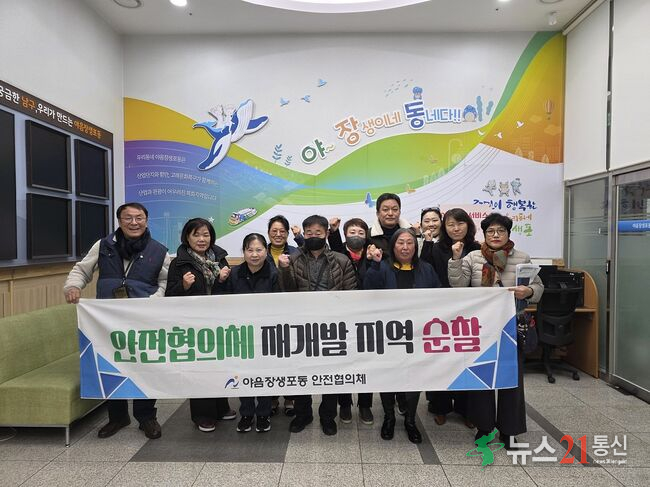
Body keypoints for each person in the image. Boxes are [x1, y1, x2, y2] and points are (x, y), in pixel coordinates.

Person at [63, 202, 170, 440]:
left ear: (146, 220)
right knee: (112, 364)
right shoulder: (103, 245)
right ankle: (117, 417)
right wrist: (73, 286)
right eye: (128, 218)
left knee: (145, 365)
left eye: (139, 218)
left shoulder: (159, 250)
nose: (134, 222)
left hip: (143, 319)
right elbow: (82, 270)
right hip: (108, 320)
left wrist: (154, 300)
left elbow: (165, 281)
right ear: (119, 221)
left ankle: (146, 417)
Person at [448, 212, 543, 450]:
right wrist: (456, 259)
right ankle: (484, 427)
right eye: (491, 231)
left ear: (508, 234)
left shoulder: (522, 257)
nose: (496, 235)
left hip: (511, 325)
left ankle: (509, 431)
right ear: (484, 234)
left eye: (501, 231)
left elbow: (538, 285)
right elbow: (458, 285)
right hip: (482, 326)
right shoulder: (473, 257)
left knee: (511, 380)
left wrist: (529, 291)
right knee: (482, 377)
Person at [277, 215, 357, 436]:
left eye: (318, 233)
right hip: (302, 326)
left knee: (330, 374)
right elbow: (286, 292)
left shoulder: (341, 260)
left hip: (332, 327)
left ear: (326, 234)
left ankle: (327, 416)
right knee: (301, 372)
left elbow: (351, 294)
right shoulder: (292, 259)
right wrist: (283, 269)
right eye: (309, 233)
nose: (313, 236)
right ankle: (303, 414)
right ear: (303, 234)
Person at [363, 228, 441, 444]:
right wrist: (374, 264)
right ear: (393, 246)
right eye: (400, 243)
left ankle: (410, 420)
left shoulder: (426, 269)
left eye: (409, 243)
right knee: (388, 377)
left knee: (414, 379)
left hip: (417, 335)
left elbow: (439, 297)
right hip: (388, 335)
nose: (405, 247)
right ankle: (389, 417)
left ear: (415, 246)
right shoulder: (383, 266)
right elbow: (368, 290)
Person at [164, 217, 237, 433]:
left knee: (219, 365)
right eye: (196, 235)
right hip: (194, 324)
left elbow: (230, 293)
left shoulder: (220, 259)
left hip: (219, 323)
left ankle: (221, 407)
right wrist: (184, 286)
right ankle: (203, 415)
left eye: (206, 235)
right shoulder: (179, 263)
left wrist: (222, 280)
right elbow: (169, 296)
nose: (202, 239)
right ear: (187, 237)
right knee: (200, 369)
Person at [420, 208, 480, 427]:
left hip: (469, 313)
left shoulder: (477, 249)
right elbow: (425, 271)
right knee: (440, 359)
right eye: (451, 224)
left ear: (468, 225)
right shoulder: (437, 248)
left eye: (460, 223)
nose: (456, 228)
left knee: (466, 360)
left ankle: (466, 408)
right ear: (444, 227)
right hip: (440, 311)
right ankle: (440, 406)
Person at [216, 233, 280, 433]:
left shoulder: (274, 274)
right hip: (240, 334)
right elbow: (221, 302)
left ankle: (263, 413)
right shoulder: (234, 273)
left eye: (259, 250)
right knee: (243, 374)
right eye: (250, 250)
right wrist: (220, 281)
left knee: (264, 374)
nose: (254, 254)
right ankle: (246, 413)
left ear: (266, 251)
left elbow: (281, 306)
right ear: (243, 252)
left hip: (266, 334)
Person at [327, 217, 374, 425]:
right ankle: (344, 404)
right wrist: (333, 230)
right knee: (343, 362)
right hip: (342, 317)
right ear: (345, 235)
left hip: (367, 317)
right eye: (352, 232)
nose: (356, 235)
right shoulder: (338, 254)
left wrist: (373, 261)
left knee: (366, 363)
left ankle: (365, 405)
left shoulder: (373, 253)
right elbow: (335, 244)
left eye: (361, 232)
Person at [265, 215, 298, 417]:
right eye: (274, 231)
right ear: (268, 232)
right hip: (267, 312)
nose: (278, 234)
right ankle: (272, 397)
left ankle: (290, 398)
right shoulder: (260, 250)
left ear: (287, 233)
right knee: (271, 357)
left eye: (282, 231)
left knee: (290, 357)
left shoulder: (295, 252)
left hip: (291, 311)